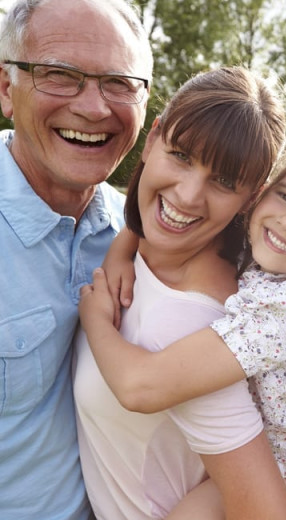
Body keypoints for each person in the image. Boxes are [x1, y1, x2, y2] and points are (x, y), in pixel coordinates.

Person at [78, 135, 286, 518]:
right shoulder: (268, 244)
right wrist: (120, 253)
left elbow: (140, 388)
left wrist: (96, 320)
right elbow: (162, 212)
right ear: (261, 194)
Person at [71, 65, 286, 520]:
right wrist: (125, 244)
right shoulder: (137, 248)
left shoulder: (191, 325)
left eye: (224, 181)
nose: (189, 195)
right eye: (182, 155)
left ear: (252, 198)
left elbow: (266, 511)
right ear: (153, 139)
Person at [0, 0, 152, 517]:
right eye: (59, 75)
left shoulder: (151, 237)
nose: (94, 108)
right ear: (6, 88)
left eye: (119, 83)